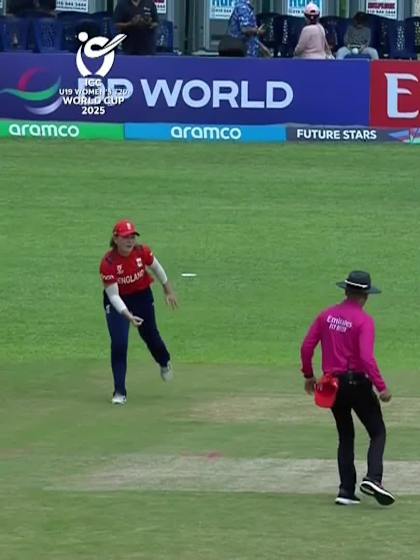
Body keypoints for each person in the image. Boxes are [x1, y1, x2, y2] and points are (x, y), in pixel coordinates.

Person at [300, 271, 395, 507]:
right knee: (377, 432)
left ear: (345, 291)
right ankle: (373, 478)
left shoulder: (326, 315)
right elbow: (366, 358)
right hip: (357, 383)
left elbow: (306, 347)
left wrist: (309, 376)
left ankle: (345, 490)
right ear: (365, 296)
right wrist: (381, 387)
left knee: (346, 436)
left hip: (332, 385)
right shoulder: (364, 321)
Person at [99, 220, 177, 405]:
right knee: (119, 343)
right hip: (118, 301)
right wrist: (127, 315)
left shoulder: (142, 252)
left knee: (150, 335)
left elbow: (157, 269)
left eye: (132, 236)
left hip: (142, 296)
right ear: (115, 238)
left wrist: (168, 289)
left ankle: (164, 361)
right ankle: (119, 391)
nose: (130, 240)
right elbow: (114, 296)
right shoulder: (108, 263)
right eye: (126, 237)